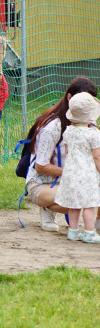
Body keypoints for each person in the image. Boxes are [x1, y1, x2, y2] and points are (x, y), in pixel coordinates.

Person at [24, 77, 98, 231]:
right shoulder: (53, 126)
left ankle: (97, 224)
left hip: (73, 180)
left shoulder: (90, 123)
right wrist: (76, 173)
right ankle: (48, 208)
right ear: (70, 97)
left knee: (88, 192)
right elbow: (40, 166)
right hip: (42, 183)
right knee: (83, 195)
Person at [54, 93, 100, 242]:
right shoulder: (94, 134)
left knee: (74, 204)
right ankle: (89, 232)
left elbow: (67, 151)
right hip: (87, 174)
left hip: (71, 172)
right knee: (88, 205)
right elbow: (97, 156)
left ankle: (73, 232)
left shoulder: (68, 131)